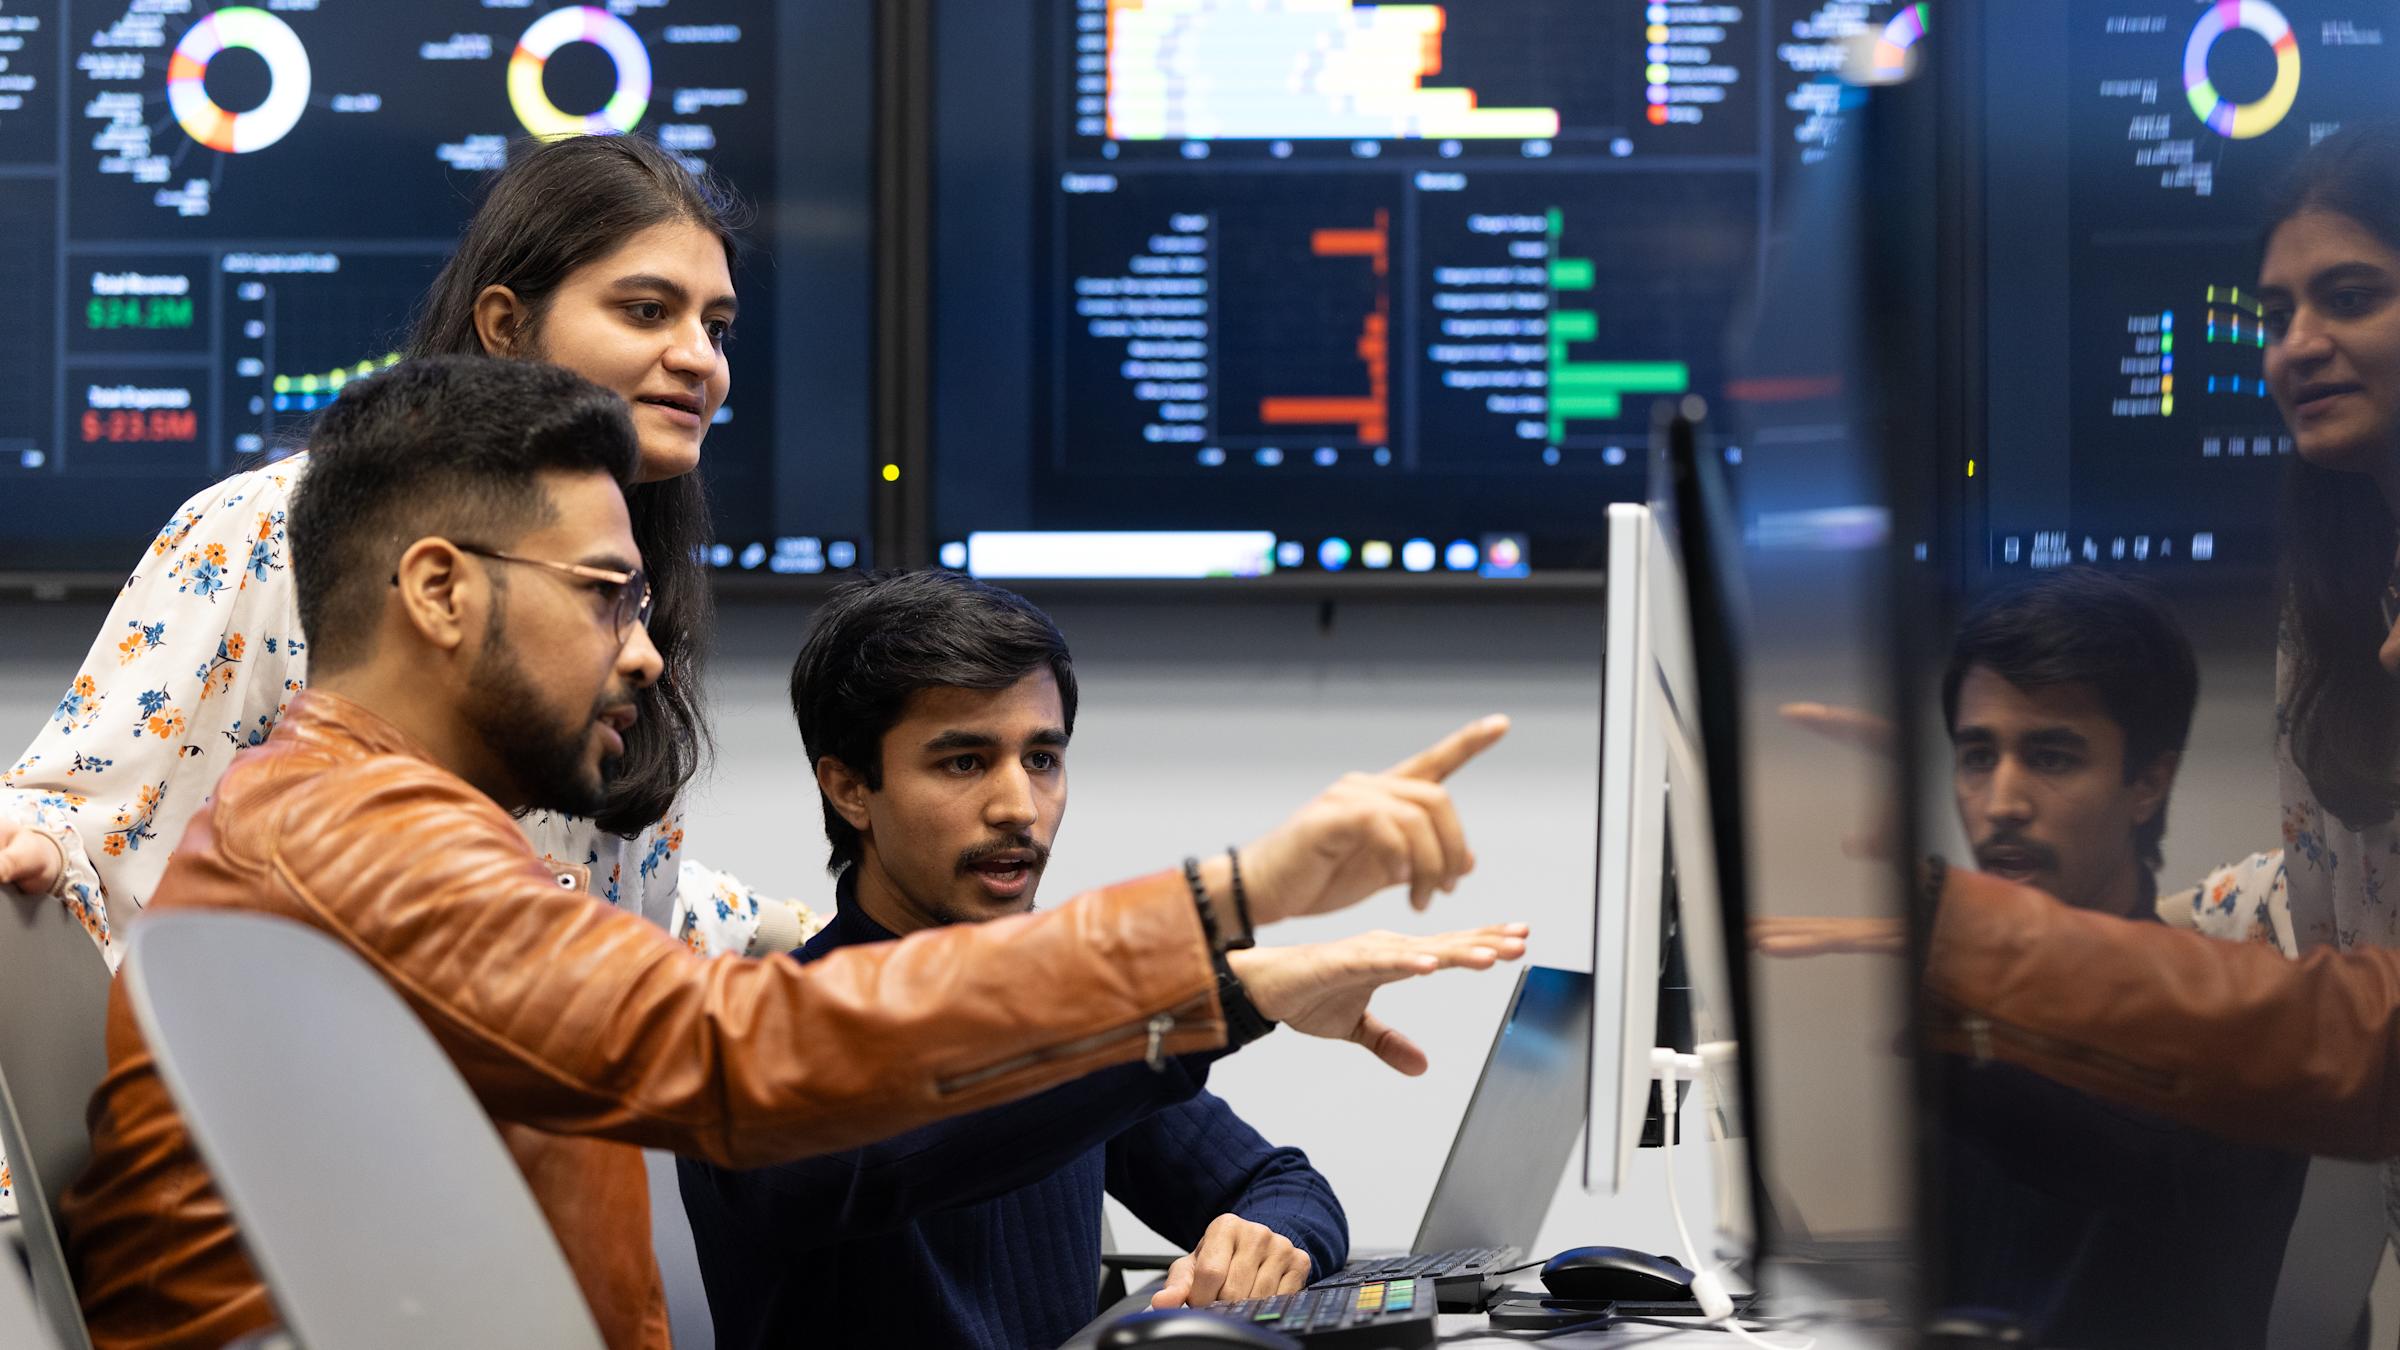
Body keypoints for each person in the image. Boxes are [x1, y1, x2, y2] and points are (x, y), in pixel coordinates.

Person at [60, 356, 1528, 1350]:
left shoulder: (360, 823)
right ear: (438, 590)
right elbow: (733, 1052)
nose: (641, 656)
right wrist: (1236, 912)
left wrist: (1225, 975)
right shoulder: (352, 829)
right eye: (605, 596)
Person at [0, 134, 802, 975]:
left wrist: (792, 924)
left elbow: (599, 888)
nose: (698, 359)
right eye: (647, 311)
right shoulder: (270, 526)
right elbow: (83, 820)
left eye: (717, 328)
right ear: (504, 325)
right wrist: (42, 857)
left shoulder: (637, 576)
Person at [681, 572, 1468, 1348]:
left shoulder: (1073, 1017)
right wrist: (1216, 1001)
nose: (1018, 808)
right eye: (963, 762)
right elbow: (910, 1147)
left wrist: (1266, 1240)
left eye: (1042, 759)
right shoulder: (758, 1044)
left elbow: (1287, 1186)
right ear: (851, 788)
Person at [1927, 570, 2307, 1348]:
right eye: (1976, 756)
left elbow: (2118, 1149)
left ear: (2149, 783)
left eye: (2052, 757)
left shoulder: (2229, 1034)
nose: (2001, 802)